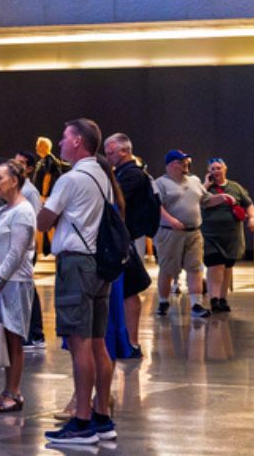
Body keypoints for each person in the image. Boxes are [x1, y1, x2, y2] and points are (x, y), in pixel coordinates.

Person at [36, 118, 121, 446]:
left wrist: (42, 209)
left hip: (76, 263)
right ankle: (102, 417)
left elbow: (45, 222)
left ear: (78, 142)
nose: (59, 144)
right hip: (99, 264)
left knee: (79, 343)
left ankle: (82, 421)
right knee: (98, 342)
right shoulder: (101, 174)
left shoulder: (71, 179)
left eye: (64, 137)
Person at [0, 160, 37, 413]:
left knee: (14, 338)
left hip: (13, 284)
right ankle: (8, 389)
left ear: (14, 180)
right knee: (4, 338)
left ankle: (13, 391)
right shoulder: (3, 210)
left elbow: (17, 252)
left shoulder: (23, 212)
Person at [105, 133, 156, 357]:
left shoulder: (132, 175)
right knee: (126, 291)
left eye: (111, 152)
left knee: (130, 290)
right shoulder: (125, 174)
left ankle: (131, 343)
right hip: (123, 239)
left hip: (125, 240)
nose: (108, 157)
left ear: (125, 151)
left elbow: (116, 203)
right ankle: (127, 342)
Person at [154, 150, 209, 319]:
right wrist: (170, 220)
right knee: (168, 269)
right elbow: (156, 206)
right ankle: (163, 301)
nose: (186, 164)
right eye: (181, 161)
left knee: (194, 268)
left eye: (186, 161)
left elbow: (205, 199)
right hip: (170, 233)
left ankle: (196, 304)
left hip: (193, 232)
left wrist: (223, 199)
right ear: (171, 165)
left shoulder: (194, 180)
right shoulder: (160, 183)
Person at [200, 158, 254, 313]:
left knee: (227, 267)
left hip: (232, 237)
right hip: (210, 235)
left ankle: (223, 298)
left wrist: (252, 218)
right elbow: (199, 200)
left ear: (225, 169)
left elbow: (248, 204)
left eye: (218, 168)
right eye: (212, 169)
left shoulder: (235, 187)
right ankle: (214, 299)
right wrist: (206, 184)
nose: (216, 171)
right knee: (214, 265)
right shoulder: (205, 188)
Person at [12, 151, 46, 349]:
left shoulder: (29, 191)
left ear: (30, 168)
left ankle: (35, 334)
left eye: (22, 163)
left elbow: (32, 221)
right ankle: (28, 332)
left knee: (26, 289)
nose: (17, 165)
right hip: (18, 248)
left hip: (24, 249)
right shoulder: (16, 187)